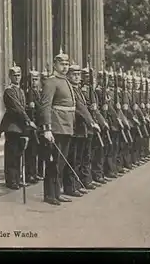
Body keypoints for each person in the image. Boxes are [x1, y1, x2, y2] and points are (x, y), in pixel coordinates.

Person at [38, 48, 76, 205]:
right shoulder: (51, 81)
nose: (65, 67)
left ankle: (57, 192)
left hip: (67, 126)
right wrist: (47, 128)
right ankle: (49, 195)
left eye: (67, 64)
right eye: (62, 64)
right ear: (55, 64)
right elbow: (45, 105)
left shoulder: (66, 81)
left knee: (61, 162)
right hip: (56, 126)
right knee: (53, 162)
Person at [0, 62, 36, 189]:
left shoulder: (20, 91)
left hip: (20, 127)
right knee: (12, 154)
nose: (17, 77)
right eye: (14, 75)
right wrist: (27, 120)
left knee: (18, 154)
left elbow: (23, 107)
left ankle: (17, 178)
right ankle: (11, 180)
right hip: (12, 126)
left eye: (19, 75)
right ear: (10, 76)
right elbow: (17, 108)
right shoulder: (9, 91)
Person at [66, 62, 98, 197]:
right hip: (75, 129)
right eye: (74, 74)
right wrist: (91, 121)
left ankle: (77, 184)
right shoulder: (71, 89)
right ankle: (70, 187)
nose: (77, 77)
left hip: (81, 129)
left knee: (79, 159)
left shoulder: (78, 89)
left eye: (78, 74)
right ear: (69, 75)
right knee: (73, 160)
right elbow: (80, 108)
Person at [25, 67, 43, 184]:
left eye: (36, 79)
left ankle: (34, 172)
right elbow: (32, 108)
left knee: (35, 151)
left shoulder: (38, 92)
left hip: (38, 124)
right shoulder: (29, 93)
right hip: (31, 124)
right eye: (32, 79)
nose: (34, 81)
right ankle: (29, 174)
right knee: (30, 152)